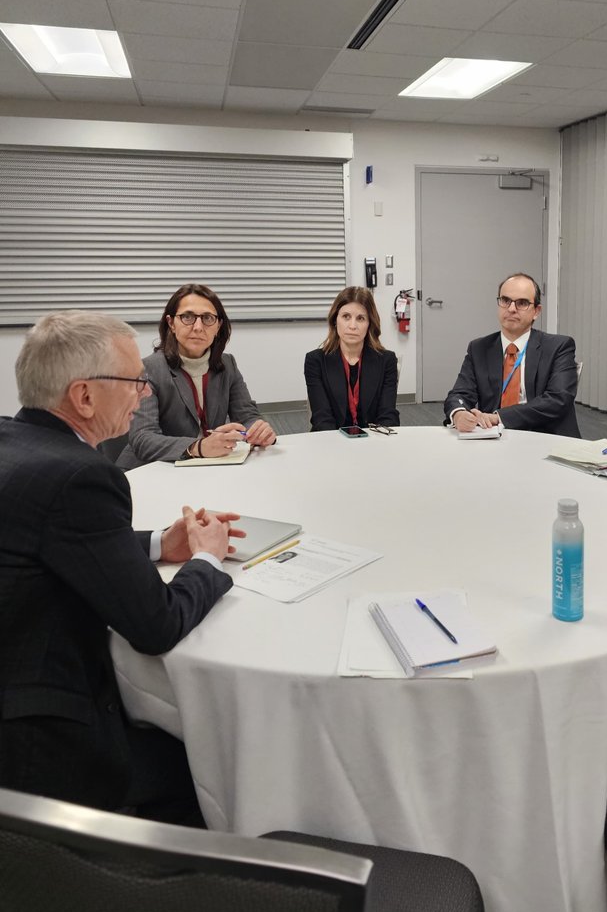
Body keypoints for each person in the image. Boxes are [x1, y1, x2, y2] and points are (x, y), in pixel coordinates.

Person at [0, 310, 241, 815]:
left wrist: (160, 543)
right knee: (212, 767)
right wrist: (206, 558)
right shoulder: (82, 477)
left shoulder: (17, 444)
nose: (145, 392)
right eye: (135, 381)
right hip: (42, 740)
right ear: (84, 397)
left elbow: (59, 540)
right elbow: (156, 626)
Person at [117, 283, 276, 468]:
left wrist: (258, 429)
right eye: (187, 317)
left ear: (218, 326)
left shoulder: (228, 364)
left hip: (207, 467)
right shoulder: (148, 368)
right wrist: (197, 447)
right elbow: (143, 438)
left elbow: (246, 416)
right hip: (152, 469)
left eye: (208, 318)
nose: (198, 327)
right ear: (171, 323)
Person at [443, 272, 580, 437]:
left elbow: (558, 400)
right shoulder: (479, 348)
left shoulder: (559, 346)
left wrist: (498, 417)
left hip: (545, 436)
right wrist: (458, 413)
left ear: (536, 311)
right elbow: (460, 394)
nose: (511, 309)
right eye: (505, 300)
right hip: (493, 437)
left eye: (522, 303)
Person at [304, 286, 399, 431]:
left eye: (360, 318)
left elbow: (387, 416)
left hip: (373, 441)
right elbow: (322, 418)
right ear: (335, 321)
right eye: (346, 317)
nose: (352, 326)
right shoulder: (315, 361)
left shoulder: (387, 361)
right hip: (331, 441)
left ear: (369, 324)